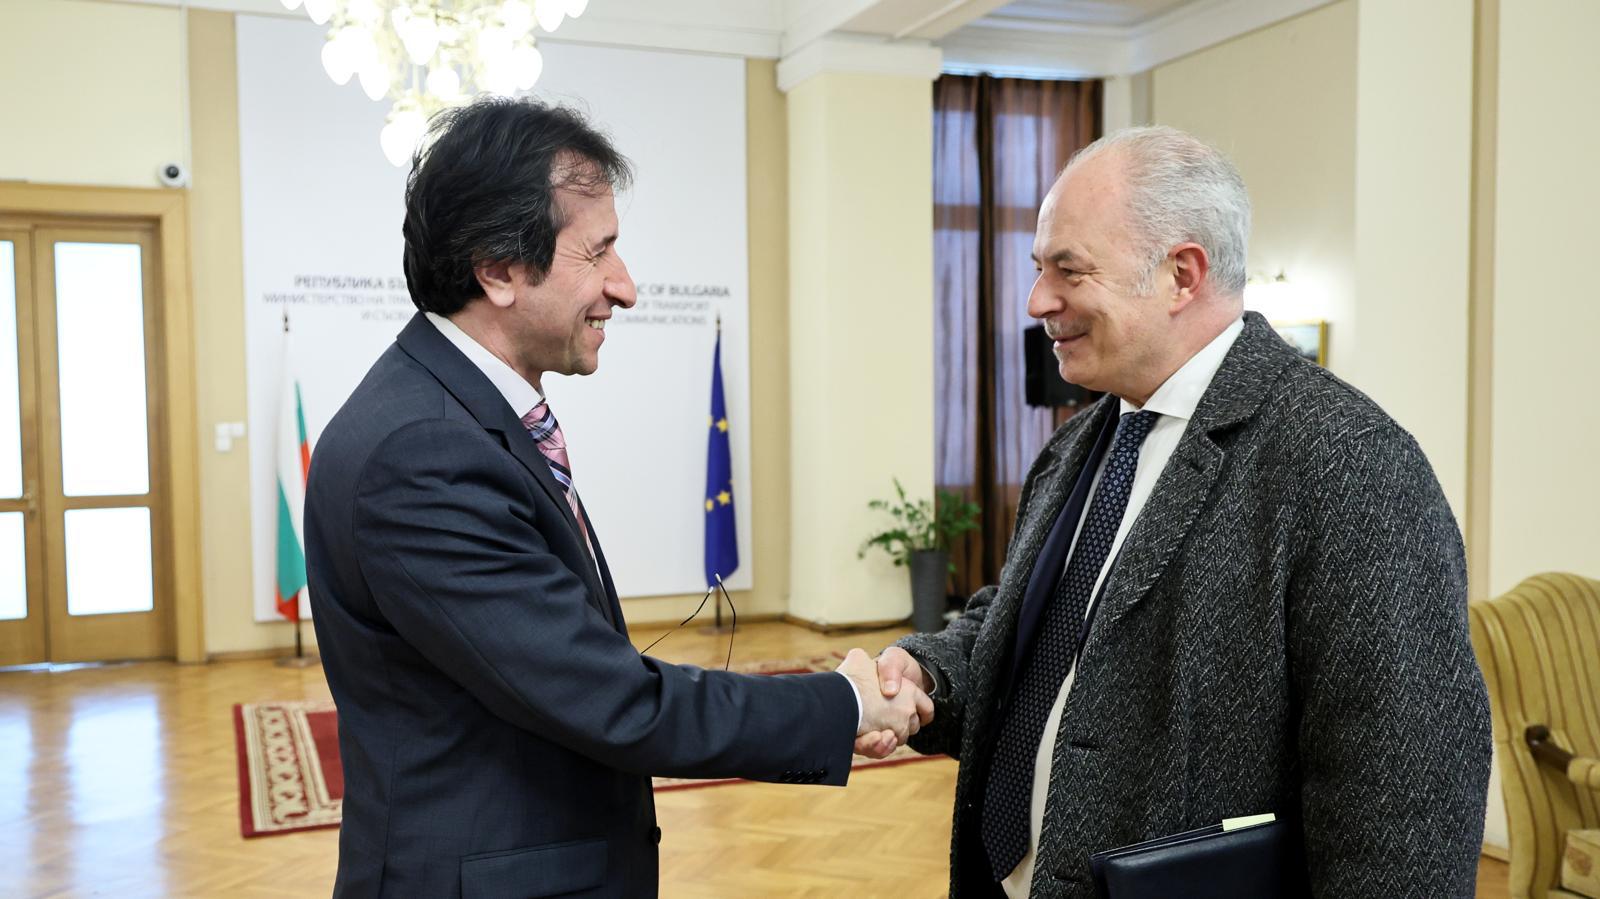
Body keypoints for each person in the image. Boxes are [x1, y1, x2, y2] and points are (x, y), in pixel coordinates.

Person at [304, 98, 929, 898]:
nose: (625, 287)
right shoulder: (423, 451)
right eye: (597, 252)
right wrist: (845, 704)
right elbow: (610, 699)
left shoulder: (455, 412)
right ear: (497, 269)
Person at [871, 126, 1492, 897]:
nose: (1037, 301)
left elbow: (1405, 806)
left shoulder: (1349, 461)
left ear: (1182, 274)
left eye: (1069, 270)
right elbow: (1033, 639)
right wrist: (927, 673)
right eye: (1038, 269)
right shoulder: (1077, 446)